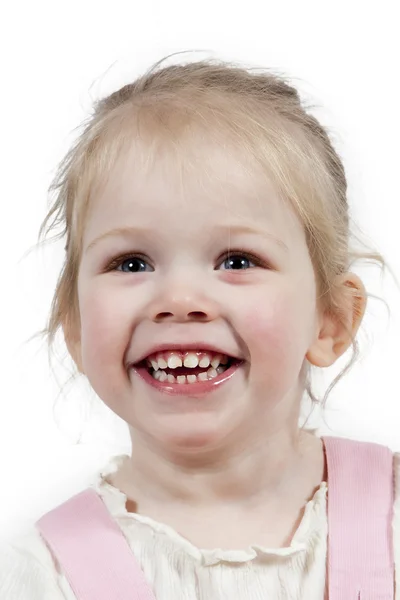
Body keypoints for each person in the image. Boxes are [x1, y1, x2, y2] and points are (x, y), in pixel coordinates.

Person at [0, 54, 398, 599]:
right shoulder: (41, 576)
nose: (180, 301)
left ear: (330, 319)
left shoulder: (392, 523)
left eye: (237, 260)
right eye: (132, 263)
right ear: (76, 328)